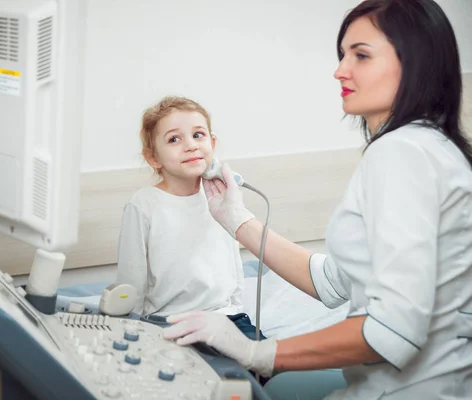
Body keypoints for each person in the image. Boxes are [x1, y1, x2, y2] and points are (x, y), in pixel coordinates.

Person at [162, 0, 472, 399]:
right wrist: (236, 218)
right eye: (342, 55)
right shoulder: (432, 147)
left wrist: (257, 351)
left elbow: (393, 330)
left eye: (360, 55)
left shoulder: (402, 153)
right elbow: (335, 281)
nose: (340, 70)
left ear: (416, 63)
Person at [114, 96, 263, 340]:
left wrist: (234, 308)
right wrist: (133, 330)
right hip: (168, 322)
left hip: (226, 317)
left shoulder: (222, 195)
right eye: (174, 139)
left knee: (267, 368)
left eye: (198, 135)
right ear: (153, 158)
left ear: (212, 143)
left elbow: (233, 264)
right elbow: (132, 278)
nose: (191, 145)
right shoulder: (143, 205)